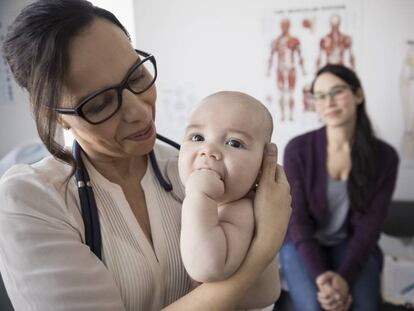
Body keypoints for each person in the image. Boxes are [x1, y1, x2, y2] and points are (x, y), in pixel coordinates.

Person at [0, 1, 292, 310]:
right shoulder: (29, 203)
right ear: (55, 116)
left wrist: (252, 210)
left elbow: (261, 297)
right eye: (100, 104)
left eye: (137, 77)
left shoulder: (192, 166)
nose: (139, 112)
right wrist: (264, 246)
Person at [280, 64, 399, 311]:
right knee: (315, 306)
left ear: (358, 95)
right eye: (320, 96)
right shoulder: (297, 150)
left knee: (364, 306)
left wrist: (344, 279)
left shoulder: (385, 157)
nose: (329, 102)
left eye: (337, 91)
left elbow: (370, 228)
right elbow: (297, 221)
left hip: (352, 244)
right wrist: (323, 279)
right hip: (302, 242)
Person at [178, 91, 278, 293]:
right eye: (197, 137)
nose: (209, 150)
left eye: (234, 143)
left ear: (262, 166)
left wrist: (199, 196)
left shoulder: (243, 210)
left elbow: (207, 267)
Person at [267, 18, 306, 122]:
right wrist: (268, 70)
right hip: (280, 69)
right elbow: (271, 56)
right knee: (281, 93)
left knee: (291, 93)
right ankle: (283, 116)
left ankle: (291, 116)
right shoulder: (276, 41)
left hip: (291, 68)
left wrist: (303, 69)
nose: (284, 27)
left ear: (289, 26)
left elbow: (300, 55)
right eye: (282, 25)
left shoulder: (294, 41)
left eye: (286, 25)